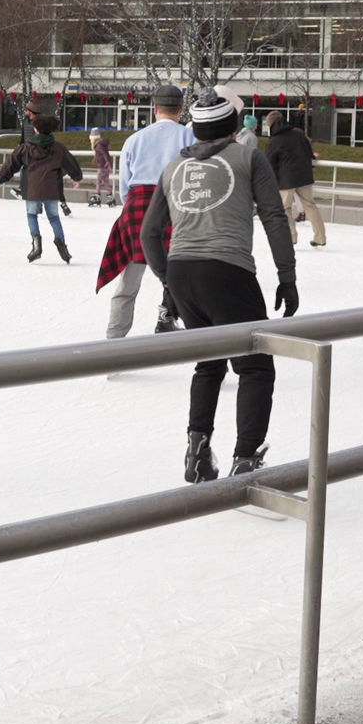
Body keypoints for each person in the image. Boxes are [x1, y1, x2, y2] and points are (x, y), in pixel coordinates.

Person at [141, 90, 298, 484]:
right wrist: (287, 275)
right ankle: (245, 460)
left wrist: (168, 282)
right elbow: (274, 218)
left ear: (194, 128)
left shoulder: (175, 166)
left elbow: (149, 233)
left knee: (208, 364)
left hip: (182, 272)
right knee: (256, 367)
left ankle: (197, 451)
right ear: (233, 127)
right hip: (228, 271)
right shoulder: (248, 156)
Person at [96, 85, 197, 338]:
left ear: (155, 109)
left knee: (129, 282)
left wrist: (130, 208)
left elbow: (124, 187)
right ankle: (167, 315)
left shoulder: (135, 139)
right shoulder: (190, 138)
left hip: (138, 207)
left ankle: (114, 339)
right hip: (175, 206)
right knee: (179, 270)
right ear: (181, 110)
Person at [0, 114, 84, 263]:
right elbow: (71, 163)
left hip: (33, 189)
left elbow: (10, 165)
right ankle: (62, 246)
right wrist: (77, 177)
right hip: (52, 188)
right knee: (54, 217)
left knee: (32, 215)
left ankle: (36, 246)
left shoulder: (26, 148)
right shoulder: (58, 148)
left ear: (36, 129)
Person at [267, 113, 327, 247]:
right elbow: (309, 153)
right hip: (304, 176)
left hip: (285, 180)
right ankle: (320, 237)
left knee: (285, 208)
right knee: (310, 205)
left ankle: (291, 237)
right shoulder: (298, 135)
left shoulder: (274, 140)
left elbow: (269, 162)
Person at [88, 129, 116, 207]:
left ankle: (97, 196)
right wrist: (96, 158)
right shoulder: (101, 144)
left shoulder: (99, 145)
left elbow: (104, 154)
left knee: (99, 181)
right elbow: (102, 154)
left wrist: (107, 162)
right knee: (106, 182)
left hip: (102, 166)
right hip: (105, 166)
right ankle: (110, 197)